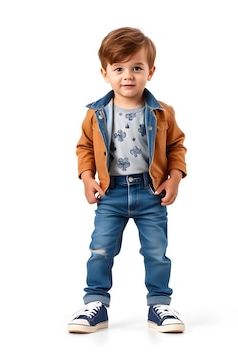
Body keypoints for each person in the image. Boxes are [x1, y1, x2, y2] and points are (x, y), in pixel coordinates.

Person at [68, 27, 187, 334]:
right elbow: (83, 147)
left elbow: (176, 146)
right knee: (100, 249)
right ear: (105, 73)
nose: (128, 76)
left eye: (137, 68)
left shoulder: (162, 113)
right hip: (111, 194)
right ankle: (95, 303)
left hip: (151, 193)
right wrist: (86, 178)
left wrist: (174, 178)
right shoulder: (96, 114)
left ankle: (159, 304)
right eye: (118, 68)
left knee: (156, 251)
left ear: (151, 71)